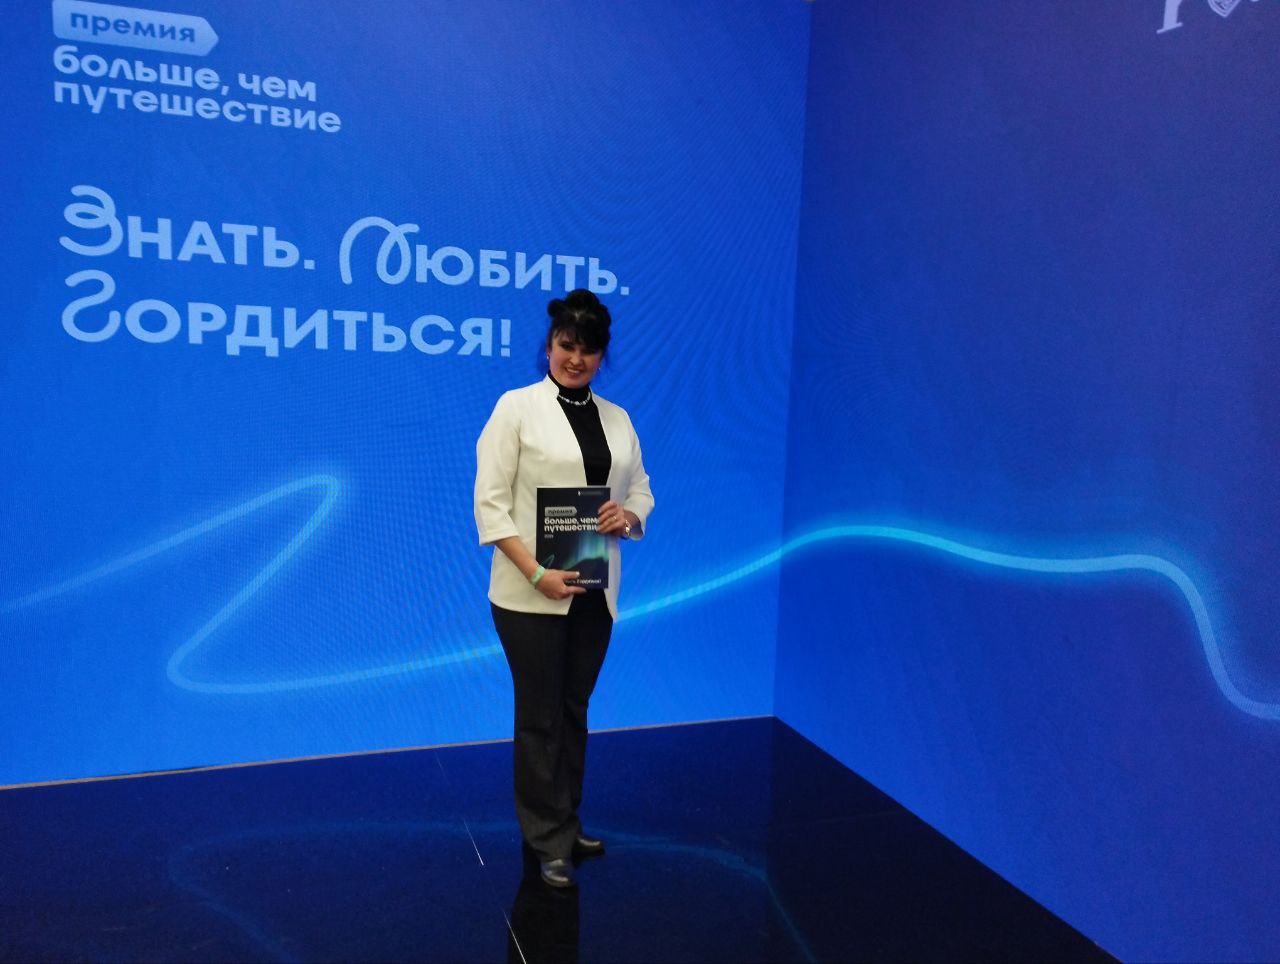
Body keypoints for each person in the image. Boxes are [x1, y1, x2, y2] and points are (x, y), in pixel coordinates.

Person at [474, 289, 654, 889]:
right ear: (549, 346)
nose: (576, 359)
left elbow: (641, 489)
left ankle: (567, 822)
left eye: (588, 349)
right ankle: (544, 837)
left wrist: (628, 515)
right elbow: (490, 507)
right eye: (566, 346)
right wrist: (536, 574)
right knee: (540, 715)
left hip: (593, 591)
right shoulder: (516, 409)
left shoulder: (618, 419)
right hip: (530, 593)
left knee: (574, 710)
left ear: (603, 355)